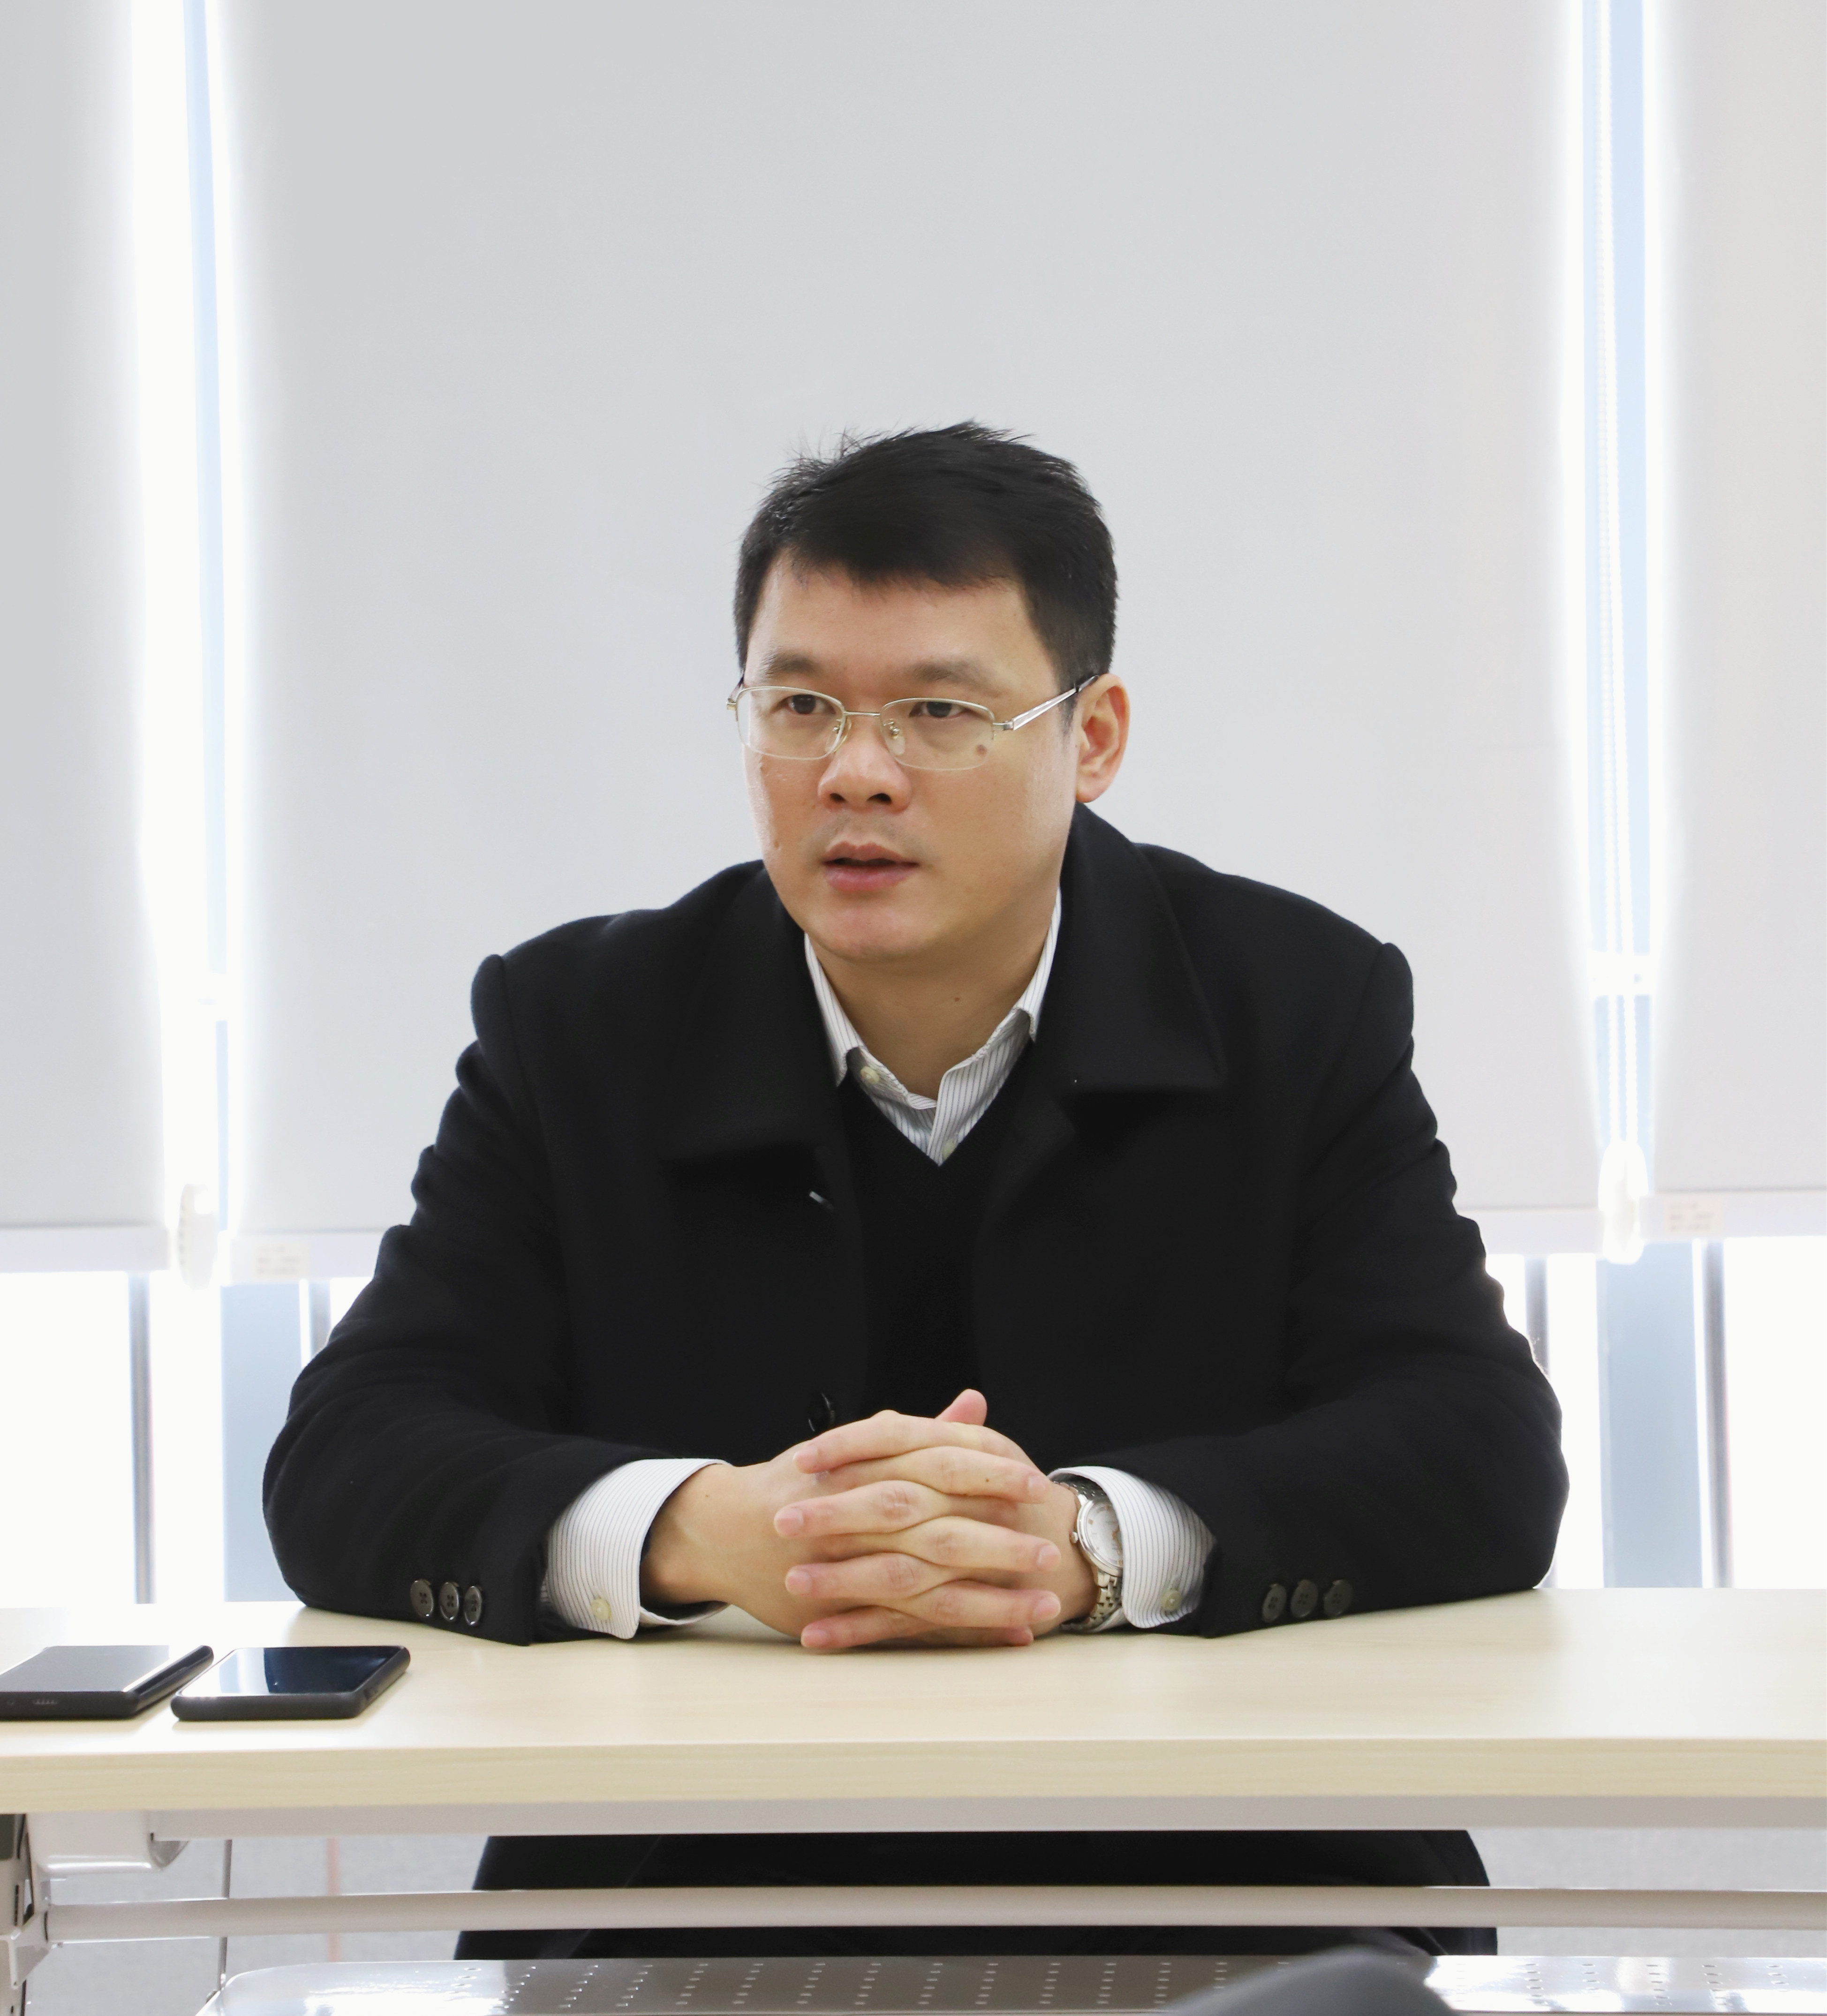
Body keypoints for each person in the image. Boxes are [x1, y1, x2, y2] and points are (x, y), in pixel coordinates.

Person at [264, 422, 1566, 1960]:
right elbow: (349, 1452)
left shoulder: (1295, 1002)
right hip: (688, 1904)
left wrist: (1092, 1543)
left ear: (1093, 737)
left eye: (940, 711)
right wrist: (699, 1530)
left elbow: (1477, 1446)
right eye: (799, 705)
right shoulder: (580, 1028)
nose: (856, 771)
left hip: (1237, 1890)